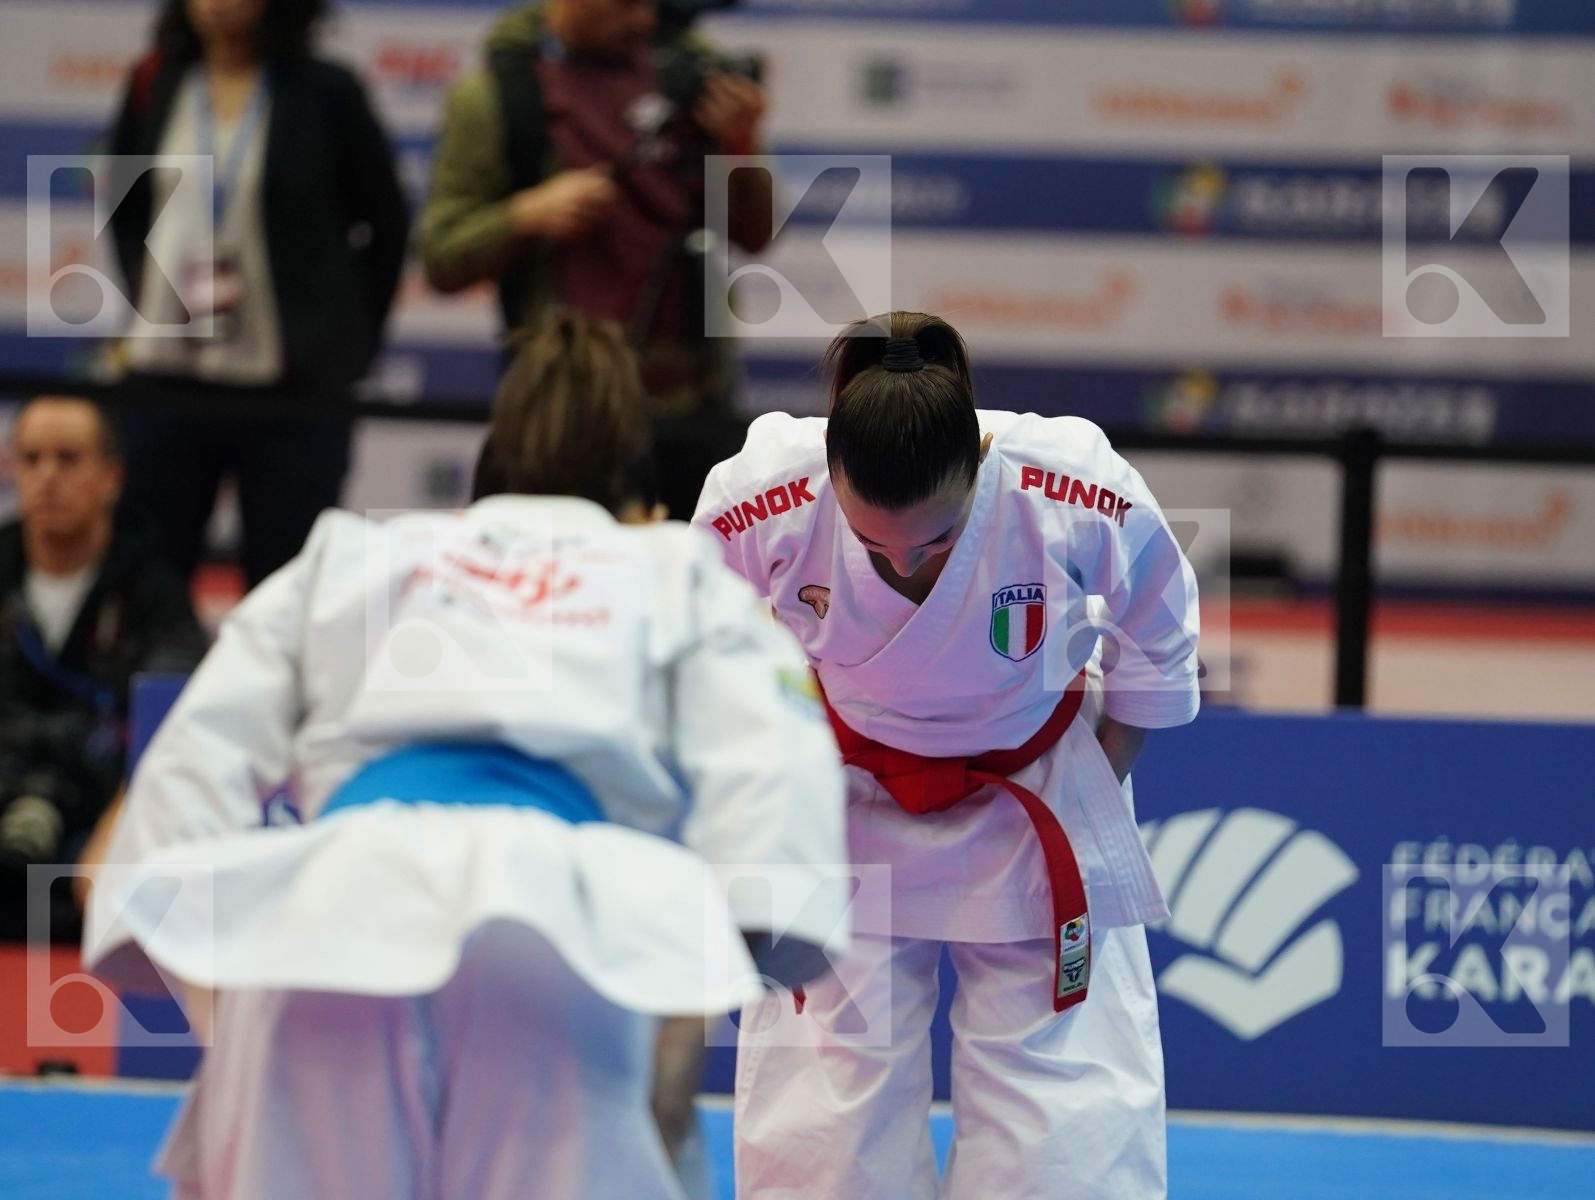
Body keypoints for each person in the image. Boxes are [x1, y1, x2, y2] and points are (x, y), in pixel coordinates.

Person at [83, 312, 848, 1200]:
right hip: (557, 935)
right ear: (636, 499)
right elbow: (774, 772)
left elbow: (196, 755)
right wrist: (759, 936)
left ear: (479, 489)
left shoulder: (356, 555)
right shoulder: (673, 573)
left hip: (330, 918)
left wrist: (178, 940)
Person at [691, 312, 1203, 1199]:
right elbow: (702, 658)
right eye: (873, 543)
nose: (902, 563)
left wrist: (1085, 783)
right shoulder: (758, 494)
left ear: (978, 469)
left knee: (1062, 1117)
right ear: (830, 476)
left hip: (1026, 793)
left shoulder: (1074, 489)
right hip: (839, 797)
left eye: (930, 543)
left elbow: (1156, 654)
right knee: (824, 1103)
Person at [421, 0, 774, 520]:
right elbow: (440, 256)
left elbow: (755, 234)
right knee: (557, 586)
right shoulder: (501, 93)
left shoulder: (692, 76)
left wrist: (742, 146)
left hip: (691, 399)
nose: (643, 18)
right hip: (563, 411)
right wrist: (525, 214)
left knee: (695, 581)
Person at [106, 0, 409, 588]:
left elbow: (386, 224)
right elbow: (123, 207)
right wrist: (150, 295)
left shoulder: (325, 91)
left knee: (285, 585)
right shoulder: (154, 80)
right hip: (166, 377)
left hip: (290, 390)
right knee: (146, 580)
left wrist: (343, 346)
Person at [0, 396, 204, 942]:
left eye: (68, 459)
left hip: (98, 832)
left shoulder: (155, 592)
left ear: (111, 478)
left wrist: (124, 830)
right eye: (31, 458)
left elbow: (173, 726)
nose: (48, 477)